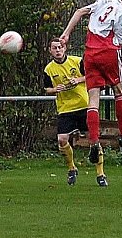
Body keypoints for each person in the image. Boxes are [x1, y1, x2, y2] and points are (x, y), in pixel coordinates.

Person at [59, 0, 122, 187]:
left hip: (89, 54)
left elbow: (80, 12)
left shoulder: (105, 0)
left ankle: (94, 141)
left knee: (93, 100)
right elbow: (118, 42)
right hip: (107, 53)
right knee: (119, 91)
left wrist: (66, 33)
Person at [43, 37, 103, 186]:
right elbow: (46, 89)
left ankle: (100, 174)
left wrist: (78, 80)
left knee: (94, 140)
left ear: (65, 48)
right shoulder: (48, 69)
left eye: (60, 47)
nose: (58, 50)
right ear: (50, 51)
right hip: (65, 108)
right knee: (62, 139)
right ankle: (72, 168)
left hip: (84, 105)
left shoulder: (77, 61)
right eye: (54, 48)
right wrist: (54, 90)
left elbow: (90, 76)